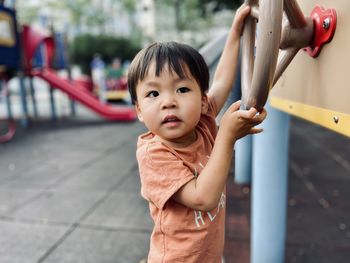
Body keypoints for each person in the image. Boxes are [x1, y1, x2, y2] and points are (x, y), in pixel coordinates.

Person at [128, 4, 267, 262]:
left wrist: (234, 34)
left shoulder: (202, 123)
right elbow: (203, 198)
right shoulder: (154, 154)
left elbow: (222, 82)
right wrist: (226, 135)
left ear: (203, 101)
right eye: (153, 93)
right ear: (138, 110)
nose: (168, 101)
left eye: (182, 89)